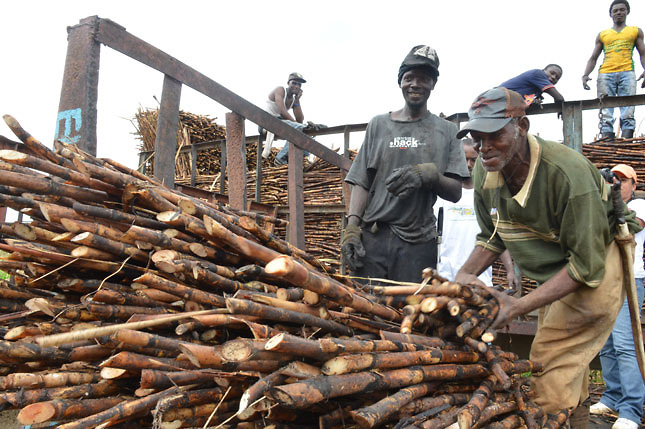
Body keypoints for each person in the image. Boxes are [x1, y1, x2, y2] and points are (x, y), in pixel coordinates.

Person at [454, 86, 641, 428]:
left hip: (596, 271)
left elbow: (585, 267)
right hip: (555, 274)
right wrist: (460, 278)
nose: (484, 147)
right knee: (569, 366)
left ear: (521, 127)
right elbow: (491, 237)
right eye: (477, 138)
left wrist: (517, 306)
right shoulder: (485, 170)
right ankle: (579, 421)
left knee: (546, 372)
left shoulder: (568, 175)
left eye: (494, 135)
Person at [341, 45, 469, 284]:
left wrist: (430, 175)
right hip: (373, 240)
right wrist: (352, 229)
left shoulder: (448, 132)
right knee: (363, 313)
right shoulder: (378, 125)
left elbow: (455, 192)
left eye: (424, 78)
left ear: (433, 84)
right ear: (400, 82)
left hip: (417, 244)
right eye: (409, 78)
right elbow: (361, 182)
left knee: (411, 315)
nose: (415, 84)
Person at [591, 163, 645, 429]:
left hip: (629, 280)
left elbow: (628, 225)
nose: (618, 184)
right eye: (614, 179)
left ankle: (631, 410)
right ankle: (612, 397)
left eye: (623, 180)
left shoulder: (640, 207)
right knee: (607, 344)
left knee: (626, 345)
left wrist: (606, 198)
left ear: (634, 185)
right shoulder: (605, 206)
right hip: (605, 280)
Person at [435, 139, 519, 289]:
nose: (468, 165)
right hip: (445, 278)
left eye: (473, 160)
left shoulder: (488, 195)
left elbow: (496, 236)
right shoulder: (443, 197)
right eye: (464, 160)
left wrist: (510, 270)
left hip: (479, 279)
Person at [582, 0, 645, 139]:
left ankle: (627, 142)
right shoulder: (603, 34)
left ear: (627, 12)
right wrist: (585, 74)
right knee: (605, 111)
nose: (618, 13)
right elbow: (593, 57)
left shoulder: (635, 31)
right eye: (615, 11)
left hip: (627, 72)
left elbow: (643, 54)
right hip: (606, 74)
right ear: (610, 14)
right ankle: (607, 141)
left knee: (628, 110)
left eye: (622, 10)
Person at [264, 72, 308, 165]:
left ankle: (304, 158)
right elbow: (282, 112)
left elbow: (300, 119)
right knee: (300, 128)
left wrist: (297, 100)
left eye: (299, 85)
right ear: (288, 83)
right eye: (294, 83)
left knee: (307, 131)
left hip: (280, 123)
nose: (296, 86)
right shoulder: (280, 90)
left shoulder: (293, 99)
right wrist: (298, 126)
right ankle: (281, 158)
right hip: (267, 122)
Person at [498, 65, 565, 106]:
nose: (553, 77)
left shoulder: (537, 90)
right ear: (544, 70)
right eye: (552, 73)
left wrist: (532, 102)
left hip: (505, 103)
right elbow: (559, 98)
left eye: (557, 78)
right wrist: (562, 109)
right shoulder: (538, 73)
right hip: (497, 97)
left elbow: (522, 102)